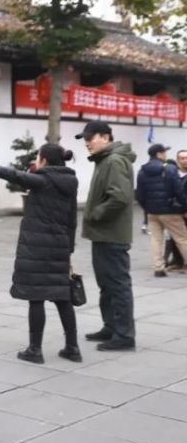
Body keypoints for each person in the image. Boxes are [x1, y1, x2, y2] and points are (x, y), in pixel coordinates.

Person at [0, 145, 81, 364]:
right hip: (60, 246)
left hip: (37, 247)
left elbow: (19, 176)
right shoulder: (70, 182)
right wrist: (69, 250)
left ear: (44, 160)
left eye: (38, 157)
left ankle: (35, 349)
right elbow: (72, 219)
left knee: (36, 297)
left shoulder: (43, 180)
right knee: (63, 297)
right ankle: (73, 348)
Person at [77, 120, 137, 352]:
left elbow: (119, 197)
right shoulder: (104, 160)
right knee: (107, 285)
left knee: (118, 286)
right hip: (104, 234)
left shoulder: (113, 161)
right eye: (85, 140)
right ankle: (111, 326)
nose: (87, 143)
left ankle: (124, 335)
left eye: (90, 139)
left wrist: (95, 214)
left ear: (105, 137)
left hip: (112, 234)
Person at [135, 143, 187, 277]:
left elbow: (139, 195)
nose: (165, 155)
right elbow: (179, 191)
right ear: (159, 154)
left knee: (156, 240)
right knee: (182, 238)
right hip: (171, 211)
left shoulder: (142, 171)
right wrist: (184, 207)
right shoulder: (170, 169)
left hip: (152, 212)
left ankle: (158, 268)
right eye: (164, 152)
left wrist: (147, 208)